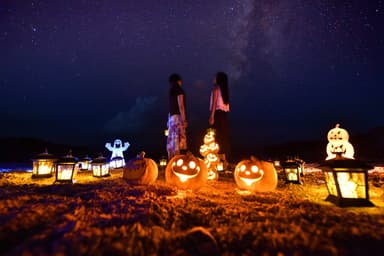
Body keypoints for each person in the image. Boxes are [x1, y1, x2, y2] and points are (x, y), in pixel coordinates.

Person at [209, 72, 230, 167]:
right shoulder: (225, 91)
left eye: (215, 76)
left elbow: (214, 104)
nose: (213, 78)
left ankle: (218, 162)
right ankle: (224, 161)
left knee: (217, 137)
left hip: (218, 114)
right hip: (224, 115)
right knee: (223, 137)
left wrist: (212, 116)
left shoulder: (216, 88)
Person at [167, 73, 188, 160]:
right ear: (179, 81)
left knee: (172, 142)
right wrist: (184, 119)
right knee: (177, 143)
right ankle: (177, 162)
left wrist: (168, 120)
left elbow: (170, 107)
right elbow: (181, 106)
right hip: (177, 118)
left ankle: (170, 163)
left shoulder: (171, 91)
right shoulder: (179, 90)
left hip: (171, 118)